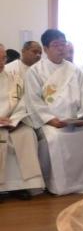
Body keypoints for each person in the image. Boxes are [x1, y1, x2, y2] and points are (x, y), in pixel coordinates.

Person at [24, 29, 83, 195]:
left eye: (63, 44)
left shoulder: (76, 71)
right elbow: (33, 101)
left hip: (75, 120)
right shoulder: (35, 72)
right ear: (45, 49)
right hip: (51, 122)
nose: (61, 48)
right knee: (54, 138)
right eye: (55, 45)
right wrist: (51, 120)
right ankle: (59, 184)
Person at [0, 44, 44, 200]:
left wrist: (15, 120)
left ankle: (21, 185)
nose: (2, 63)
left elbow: (23, 102)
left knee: (27, 134)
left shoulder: (14, 79)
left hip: (12, 122)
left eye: (4, 58)